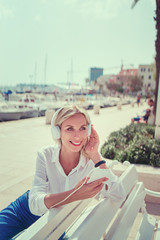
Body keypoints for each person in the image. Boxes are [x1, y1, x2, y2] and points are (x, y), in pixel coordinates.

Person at [0, 105, 125, 240]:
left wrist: (96, 157)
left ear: (88, 131)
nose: (77, 136)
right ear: (57, 132)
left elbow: (119, 195)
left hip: (55, 222)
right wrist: (74, 194)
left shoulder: (92, 162)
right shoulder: (45, 155)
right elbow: (34, 205)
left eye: (82, 128)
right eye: (69, 128)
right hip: (23, 211)